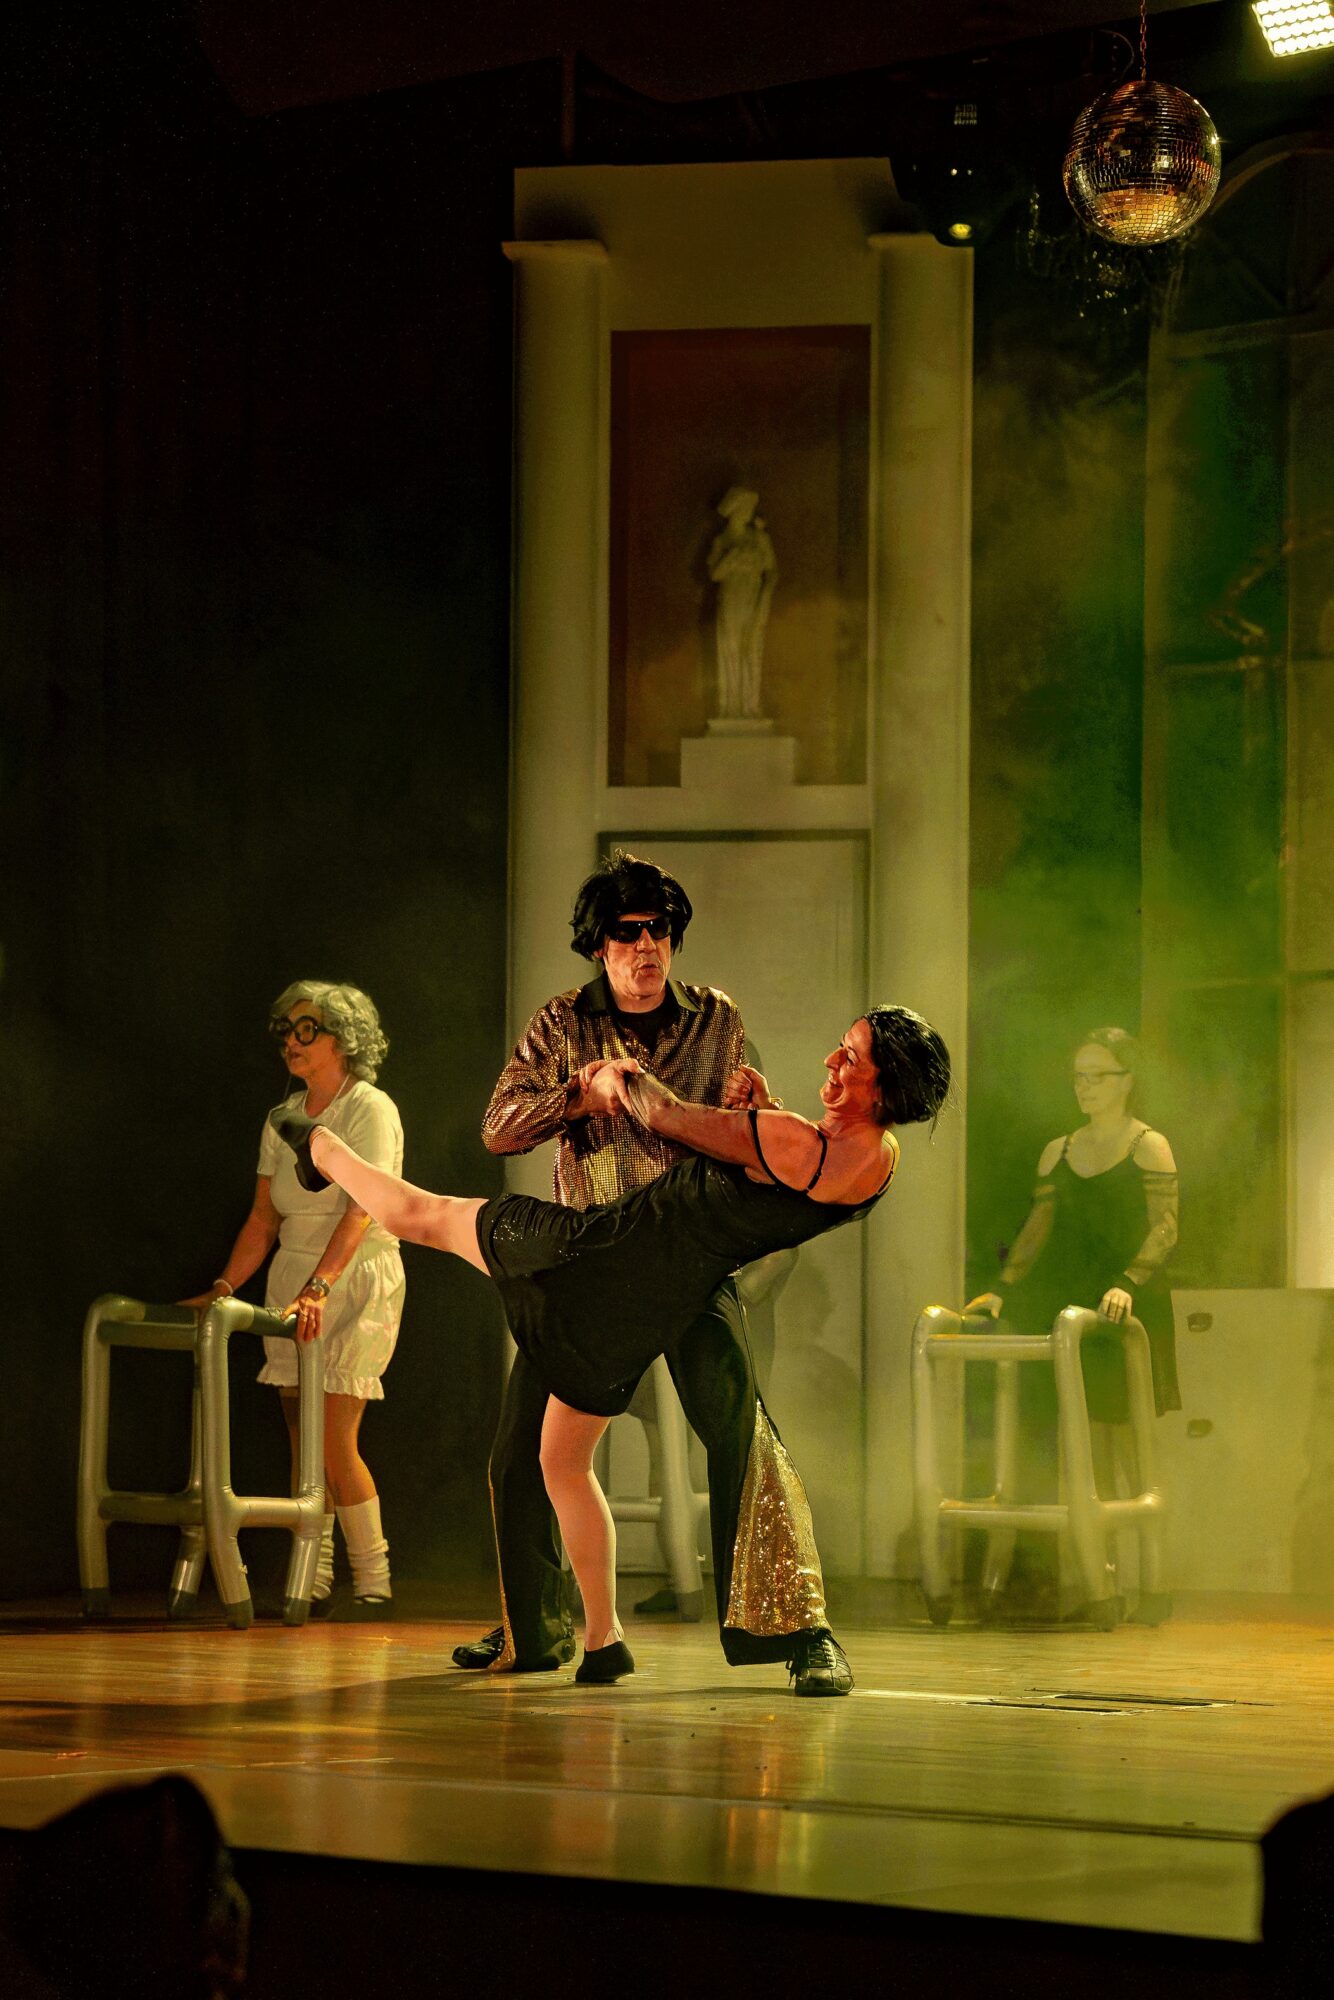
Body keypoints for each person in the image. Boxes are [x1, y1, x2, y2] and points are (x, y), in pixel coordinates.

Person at [270, 1003, 951, 1685]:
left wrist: (618, 1077)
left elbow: (668, 1116)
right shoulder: (875, 1161)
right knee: (561, 1461)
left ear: (885, 1087)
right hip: (640, 1301)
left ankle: (320, 1148)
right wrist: (764, 1115)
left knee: (422, 1214)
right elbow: (783, 1178)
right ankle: (603, 1640)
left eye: (851, 1057)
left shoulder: (792, 1137)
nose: (832, 1061)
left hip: (595, 1259)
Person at [460, 851, 852, 1696]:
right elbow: (497, 1128)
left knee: (742, 1431)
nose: (646, 947)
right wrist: (579, 1096)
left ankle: (801, 1631)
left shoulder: (716, 1018)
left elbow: (741, 1130)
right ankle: (534, 1625)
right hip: (591, 1265)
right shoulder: (562, 1022)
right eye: (628, 933)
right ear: (599, 944)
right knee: (520, 1452)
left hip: (685, 1258)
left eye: (659, 931)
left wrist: (755, 1106)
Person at [184, 981, 405, 1617]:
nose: (293, 1041)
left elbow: (362, 1209)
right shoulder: (282, 1115)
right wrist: (224, 1288)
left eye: (308, 1029)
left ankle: (374, 1583)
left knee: (333, 1438)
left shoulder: (370, 1109)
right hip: (293, 1282)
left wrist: (321, 1286)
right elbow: (263, 1218)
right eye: (287, 1030)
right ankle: (313, 1577)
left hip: (352, 1277)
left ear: (344, 1038)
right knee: (302, 1441)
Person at [965, 1026, 1180, 1612]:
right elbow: (1037, 1231)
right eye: (1078, 1077)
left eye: (1097, 1076)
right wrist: (1002, 1289)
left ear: (1126, 1080)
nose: (1085, 1087)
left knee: (1125, 1445)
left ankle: (1148, 1583)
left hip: (1125, 1302)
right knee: (1076, 1443)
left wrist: (1128, 1282)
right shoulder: (1057, 1150)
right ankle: (1095, 1581)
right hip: (1073, 1302)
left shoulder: (1148, 1146)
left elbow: (1165, 1228)